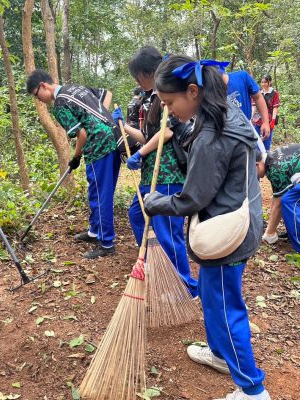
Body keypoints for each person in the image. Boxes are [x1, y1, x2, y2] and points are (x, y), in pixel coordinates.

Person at [144, 55, 269, 400]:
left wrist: (157, 203)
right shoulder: (227, 112)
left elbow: (192, 199)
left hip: (227, 234)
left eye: (169, 102)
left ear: (193, 91)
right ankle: (219, 354)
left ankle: (253, 390)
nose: (167, 110)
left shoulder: (213, 134)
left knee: (225, 309)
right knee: (215, 300)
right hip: (238, 220)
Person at [112, 46, 198, 298]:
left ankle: (185, 286)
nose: (137, 81)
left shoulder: (166, 93)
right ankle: (155, 263)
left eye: (137, 76)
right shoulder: (150, 98)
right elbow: (147, 136)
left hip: (168, 175)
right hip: (151, 175)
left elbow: (167, 132)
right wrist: (124, 126)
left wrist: (139, 154)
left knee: (169, 232)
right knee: (137, 215)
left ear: (147, 72)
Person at [26, 70, 120, 259]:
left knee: (101, 195)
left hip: (98, 146)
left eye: (37, 95)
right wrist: (99, 119)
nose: (39, 100)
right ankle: (95, 231)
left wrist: (76, 156)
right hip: (114, 139)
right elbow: (107, 94)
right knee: (97, 191)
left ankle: (107, 243)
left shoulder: (60, 104)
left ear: (43, 86)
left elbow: (82, 134)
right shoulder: (75, 88)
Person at [256, 145, 300, 250]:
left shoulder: (275, 170)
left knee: (289, 201)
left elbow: (278, 203)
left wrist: (269, 233)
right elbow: (276, 196)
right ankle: (294, 229)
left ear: (257, 165)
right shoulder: (273, 157)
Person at [223, 70, 269, 151]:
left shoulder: (241, 77)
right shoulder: (208, 89)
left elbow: (258, 97)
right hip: (224, 133)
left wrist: (265, 122)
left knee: (260, 154)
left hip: (246, 126)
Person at [252, 74, 280, 150]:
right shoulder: (258, 93)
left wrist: (273, 120)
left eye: (265, 82)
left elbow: (275, 108)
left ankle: (266, 157)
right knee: (257, 143)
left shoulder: (274, 93)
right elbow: (254, 107)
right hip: (257, 121)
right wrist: (250, 118)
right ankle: (258, 157)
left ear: (270, 82)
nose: (263, 84)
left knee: (266, 143)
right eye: (262, 82)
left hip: (268, 121)